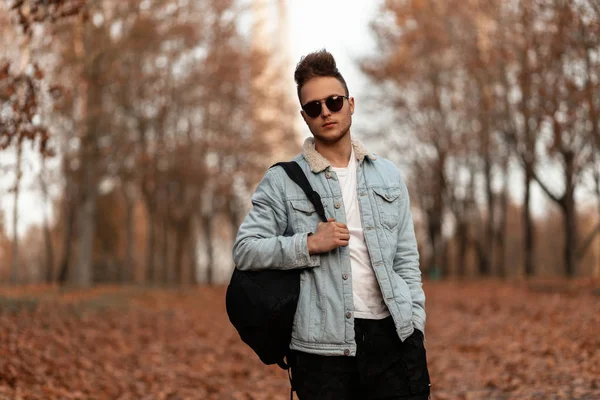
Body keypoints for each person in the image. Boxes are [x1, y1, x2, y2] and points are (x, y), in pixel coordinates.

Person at [232, 49, 431, 400]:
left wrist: (415, 326)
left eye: (334, 101)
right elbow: (245, 250)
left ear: (350, 104)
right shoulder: (282, 181)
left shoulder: (388, 175)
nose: (325, 112)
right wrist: (307, 243)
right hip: (322, 352)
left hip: (395, 340)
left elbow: (406, 262)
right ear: (304, 117)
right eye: (314, 107)